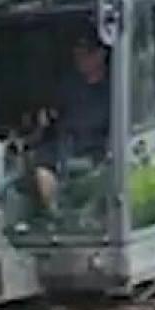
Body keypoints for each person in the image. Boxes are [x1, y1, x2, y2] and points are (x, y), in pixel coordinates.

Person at [34, 32, 110, 211]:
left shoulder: (113, 91)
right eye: (77, 55)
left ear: (100, 55)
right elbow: (52, 114)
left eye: (85, 54)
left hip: (98, 154)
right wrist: (43, 119)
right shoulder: (68, 86)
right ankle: (55, 216)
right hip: (65, 149)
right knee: (41, 170)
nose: (79, 60)